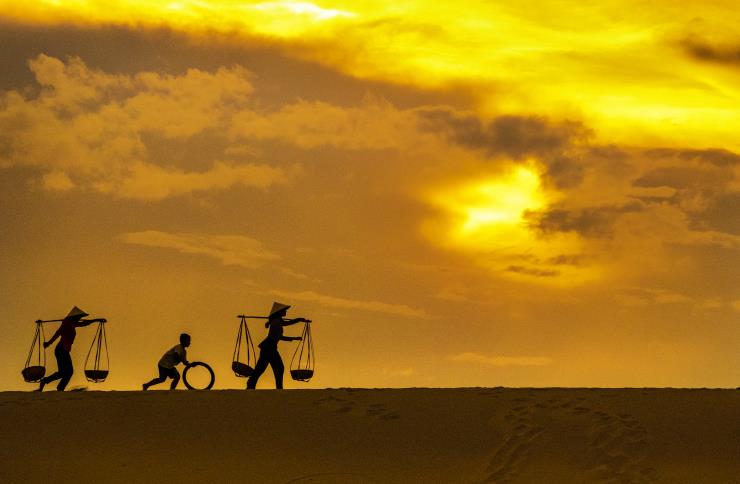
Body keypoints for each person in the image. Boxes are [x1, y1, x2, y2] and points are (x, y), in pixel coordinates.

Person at [38, 306, 106, 392]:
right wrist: (49, 343)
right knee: (68, 372)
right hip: (61, 350)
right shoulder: (66, 323)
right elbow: (58, 333)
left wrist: (96, 320)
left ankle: (48, 382)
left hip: (64, 350)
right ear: (75, 317)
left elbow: (84, 324)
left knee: (64, 372)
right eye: (79, 317)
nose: (80, 318)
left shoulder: (72, 323)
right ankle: (58, 387)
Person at [247, 302, 306, 389]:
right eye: (284, 310)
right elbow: (279, 337)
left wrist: (299, 320)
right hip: (269, 347)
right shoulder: (276, 322)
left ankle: (251, 383)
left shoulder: (278, 321)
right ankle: (278, 387)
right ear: (280, 312)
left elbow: (287, 323)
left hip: (269, 347)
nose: (286, 312)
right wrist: (293, 338)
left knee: (262, 368)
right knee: (278, 367)